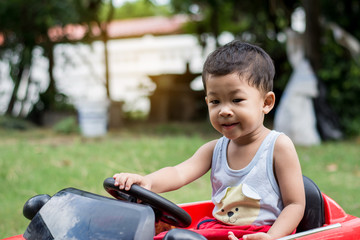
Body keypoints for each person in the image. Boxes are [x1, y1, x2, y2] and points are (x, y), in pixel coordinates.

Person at [113, 40, 305, 240]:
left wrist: (273, 237)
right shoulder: (215, 149)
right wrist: (147, 182)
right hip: (220, 229)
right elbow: (178, 173)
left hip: (262, 234)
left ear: (266, 103)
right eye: (215, 101)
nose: (224, 110)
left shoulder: (277, 147)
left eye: (237, 100)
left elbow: (295, 205)